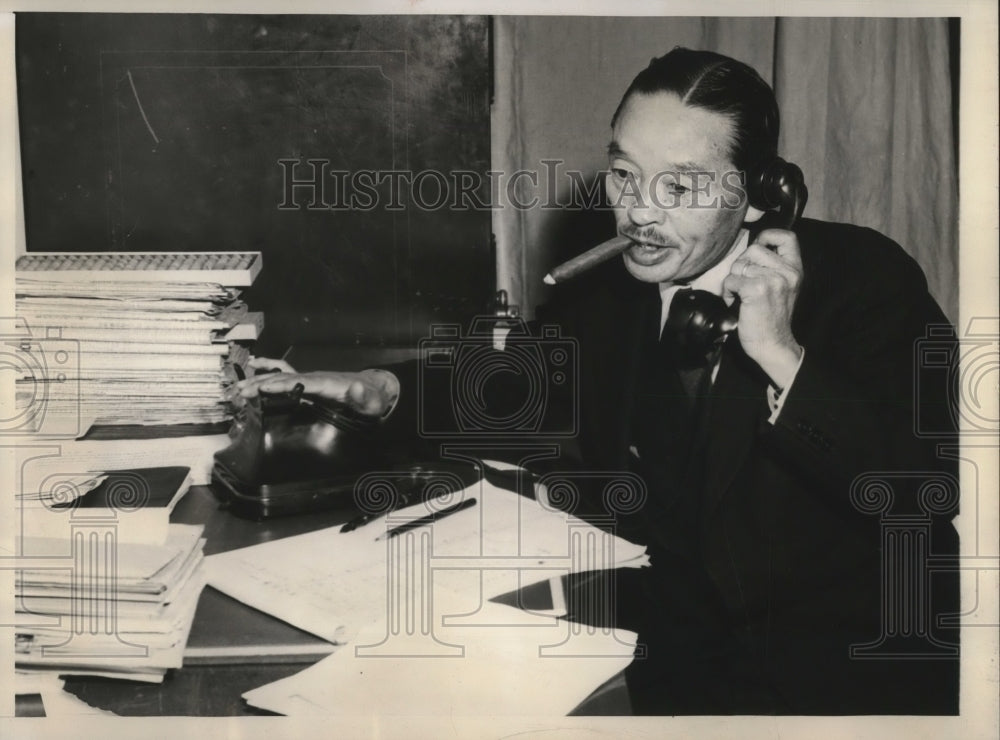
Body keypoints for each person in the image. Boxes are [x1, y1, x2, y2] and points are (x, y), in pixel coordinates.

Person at [238, 48, 959, 715]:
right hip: (674, 665)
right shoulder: (609, 294)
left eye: (679, 186)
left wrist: (781, 355)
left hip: (853, 677)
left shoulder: (865, 280)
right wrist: (379, 391)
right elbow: (512, 389)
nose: (640, 212)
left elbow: (925, 484)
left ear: (763, 192)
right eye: (625, 174)